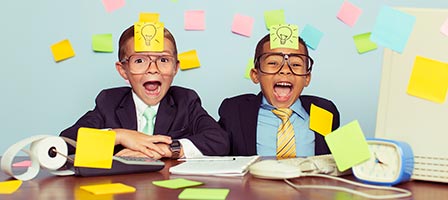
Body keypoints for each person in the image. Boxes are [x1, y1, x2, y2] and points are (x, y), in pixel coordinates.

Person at [60, 25, 229, 159]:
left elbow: (219, 140)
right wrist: (117, 136)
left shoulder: (186, 101)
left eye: (163, 60)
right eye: (139, 60)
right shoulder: (109, 102)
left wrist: (166, 149)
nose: (153, 69)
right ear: (123, 70)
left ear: (175, 67)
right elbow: (65, 144)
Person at [218, 33, 339, 157]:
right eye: (273, 63)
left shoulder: (324, 110)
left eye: (296, 64)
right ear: (255, 75)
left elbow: (344, 161)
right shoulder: (234, 111)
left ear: (307, 78)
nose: (285, 70)